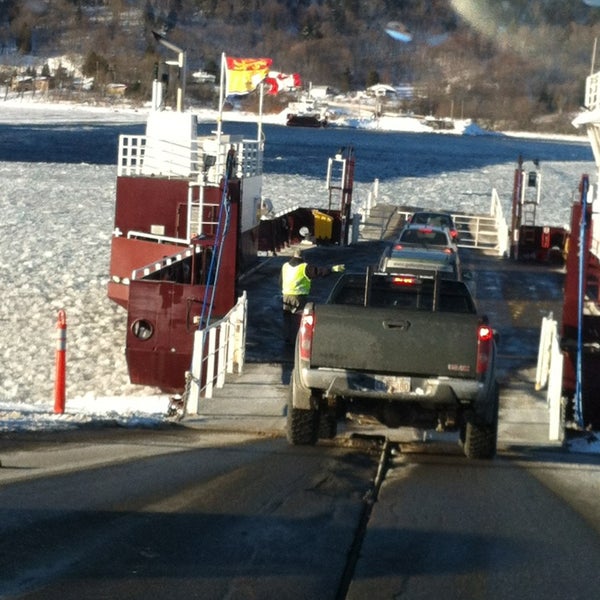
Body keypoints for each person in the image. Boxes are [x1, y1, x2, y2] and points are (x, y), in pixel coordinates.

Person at [280, 248, 344, 344]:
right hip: (298, 297)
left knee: (287, 318)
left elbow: (280, 281)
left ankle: (287, 339)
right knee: (297, 319)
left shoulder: (285, 266)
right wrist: (332, 269)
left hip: (286, 296)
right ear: (303, 257)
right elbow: (318, 271)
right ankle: (296, 342)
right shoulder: (304, 267)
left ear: (293, 255)